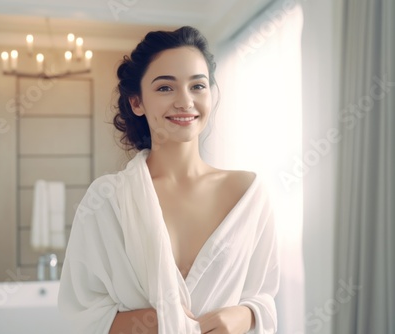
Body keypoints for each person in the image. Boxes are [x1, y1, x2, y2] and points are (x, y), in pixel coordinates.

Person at [58, 26, 279, 334]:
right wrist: (157, 323)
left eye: (198, 86)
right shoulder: (107, 199)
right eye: (165, 88)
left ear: (211, 95)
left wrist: (246, 315)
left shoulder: (248, 195)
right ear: (137, 102)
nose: (184, 101)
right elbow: (78, 314)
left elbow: (263, 294)